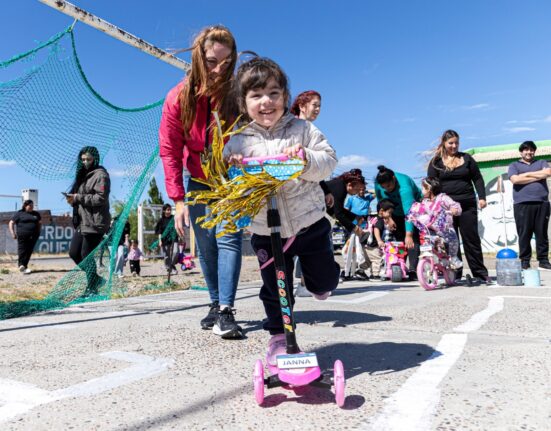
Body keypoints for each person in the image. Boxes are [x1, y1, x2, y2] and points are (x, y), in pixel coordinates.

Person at [224, 57, 339, 364]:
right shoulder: (238, 141)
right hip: (266, 229)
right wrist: (233, 169)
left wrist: (305, 158)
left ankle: (318, 285)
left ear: (285, 97)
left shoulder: (302, 129)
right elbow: (228, 181)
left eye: (273, 93)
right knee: (276, 288)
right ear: (243, 102)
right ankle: (279, 338)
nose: (266, 101)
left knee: (324, 281)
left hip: (309, 223)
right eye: (256, 95)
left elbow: (329, 161)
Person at [159, 25, 243, 339]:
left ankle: (226, 310)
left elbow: (258, 128)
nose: (219, 69)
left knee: (228, 239)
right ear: (198, 58)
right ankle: (214, 302)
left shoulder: (236, 93)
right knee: (206, 246)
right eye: (211, 61)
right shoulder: (178, 97)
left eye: (226, 62)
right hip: (197, 179)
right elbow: (169, 149)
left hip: (232, 179)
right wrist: (178, 199)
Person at [427, 129, 491, 284]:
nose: (454, 146)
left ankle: (480, 273)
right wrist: (432, 203)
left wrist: (482, 197)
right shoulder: (436, 162)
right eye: (451, 143)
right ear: (444, 143)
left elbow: (477, 179)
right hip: (446, 208)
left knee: (471, 239)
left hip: (467, 204)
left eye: (456, 143)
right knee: (450, 241)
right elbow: (431, 184)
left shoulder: (467, 158)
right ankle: (454, 273)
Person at [289, 90, 322, 295]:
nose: (317, 109)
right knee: (296, 239)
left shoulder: (311, 130)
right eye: (314, 105)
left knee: (302, 238)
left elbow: (317, 164)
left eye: (319, 106)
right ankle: (299, 284)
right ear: (302, 106)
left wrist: (324, 189)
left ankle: (303, 283)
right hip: (293, 191)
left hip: (306, 190)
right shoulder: (294, 127)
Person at [66, 146, 111, 295]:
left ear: (95, 159)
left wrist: (78, 198)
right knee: (74, 253)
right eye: (83, 159)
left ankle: (92, 287)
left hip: (95, 222)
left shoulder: (101, 175)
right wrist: (72, 200)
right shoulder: (84, 175)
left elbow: (101, 198)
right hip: (83, 222)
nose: (85, 162)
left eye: (88, 159)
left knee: (86, 255)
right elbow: (81, 199)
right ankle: (95, 279)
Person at [508, 141, 551, 270]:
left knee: (541, 233)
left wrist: (525, 175)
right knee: (524, 233)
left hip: (542, 203)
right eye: (526, 150)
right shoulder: (514, 165)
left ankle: (543, 261)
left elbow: (548, 172)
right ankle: (525, 261)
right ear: (521, 152)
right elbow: (515, 180)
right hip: (522, 204)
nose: (529, 152)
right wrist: (538, 175)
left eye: (531, 150)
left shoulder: (541, 162)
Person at [374, 165, 422, 280]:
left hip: (413, 210)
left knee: (412, 240)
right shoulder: (378, 184)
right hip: (394, 210)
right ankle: (400, 265)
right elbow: (382, 203)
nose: (387, 189)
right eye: (384, 187)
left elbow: (409, 213)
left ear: (394, 179)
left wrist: (409, 234)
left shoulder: (404, 187)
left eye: (389, 186)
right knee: (399, 239)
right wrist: (388, 218)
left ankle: (413, 269)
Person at [408, 177, 463, 269]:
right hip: (431, 229)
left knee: (452, 240)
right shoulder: (425, 201)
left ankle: (453, 257)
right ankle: (428, 261)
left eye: (423, 188)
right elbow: (421, 211)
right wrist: (415, 214)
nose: (421, 190)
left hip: (445, 228)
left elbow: (455, 205)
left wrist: (454, 209)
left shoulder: (443, 198)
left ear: (429, 189)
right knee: (427, 244)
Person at [9, 199, 41, 274]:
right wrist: (13, 233)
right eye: (30, 205)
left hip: (33, 236)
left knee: (29, 251)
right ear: (25, 206)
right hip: (22, 236)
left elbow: (39, 223)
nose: (31, 207)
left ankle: (25, 266)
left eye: (32, 205)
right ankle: (21, 265)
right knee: (22, 250)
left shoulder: (36, 214)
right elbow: (11, 223)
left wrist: (38, 232)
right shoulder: (20, 213)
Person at [372, 199, 396, 281]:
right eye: (389, 213)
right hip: (383, 245)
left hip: (390, 245)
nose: (390, 215)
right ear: (382, 211)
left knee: (391, 258)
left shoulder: (388, 220)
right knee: (383, 259)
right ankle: (382, 272)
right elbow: (376, 230)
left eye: (391, 213)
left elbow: (394, 228)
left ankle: (390, 271)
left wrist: (390, 218)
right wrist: (379, 240)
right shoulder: (380, 221)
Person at [154, 204, 179, 274]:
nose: (169, 211)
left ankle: (171, 265)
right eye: (168, 210)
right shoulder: (161, 220)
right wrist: (160, 241)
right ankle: (169, 268)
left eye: (170, 210)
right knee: (166, 256)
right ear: (164, 210)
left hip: (174, 238)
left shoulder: (174, 218)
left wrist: (180, 237)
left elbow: (177, 227)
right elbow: (159, 232)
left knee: (176, 252)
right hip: (165, 239)